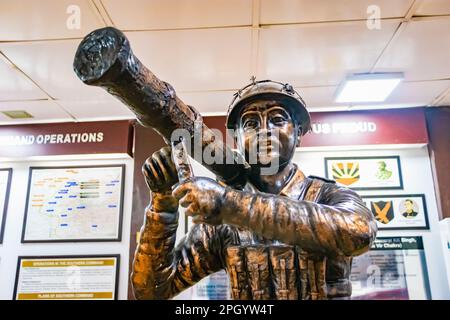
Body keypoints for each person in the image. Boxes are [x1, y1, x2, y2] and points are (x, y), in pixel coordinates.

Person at [131, 79, 377, 300]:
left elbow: (358, 232)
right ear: (237, 140)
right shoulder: (223, 223)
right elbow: (151, 290)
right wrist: (163, 205)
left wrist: (229, 205)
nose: (264, 130)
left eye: (278, 119)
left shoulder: (327, 196)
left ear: (299, 133)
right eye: (250, 123)